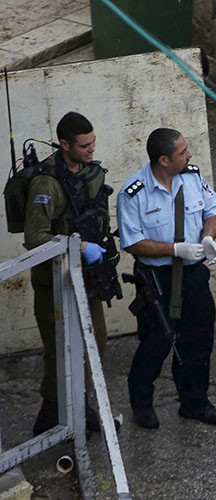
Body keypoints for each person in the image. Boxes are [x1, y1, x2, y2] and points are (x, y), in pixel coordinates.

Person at [117, 128, 216, 429]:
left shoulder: (191, 177)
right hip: (157, 277)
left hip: (192, 274)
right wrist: (174, 248)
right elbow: (132, 242)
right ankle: (142, 403)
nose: (189, 155)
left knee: (199, 339)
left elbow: (213, 212)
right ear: (164, 159)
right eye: (182, 152)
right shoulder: (133, 193)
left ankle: (195, 402)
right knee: (156, 342)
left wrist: (207, 238)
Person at [24, 112, 115, 435]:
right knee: (59, 351)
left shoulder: (88, 172)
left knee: (96, 343)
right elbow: (35, 237)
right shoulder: (46, 183)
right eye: (84, 145)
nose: (91, 150)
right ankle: (52, 414)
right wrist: (80, 246)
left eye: (93, 143)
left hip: (87, 277)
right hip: (55, 283)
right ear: (64, 145)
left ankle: (80, 405)